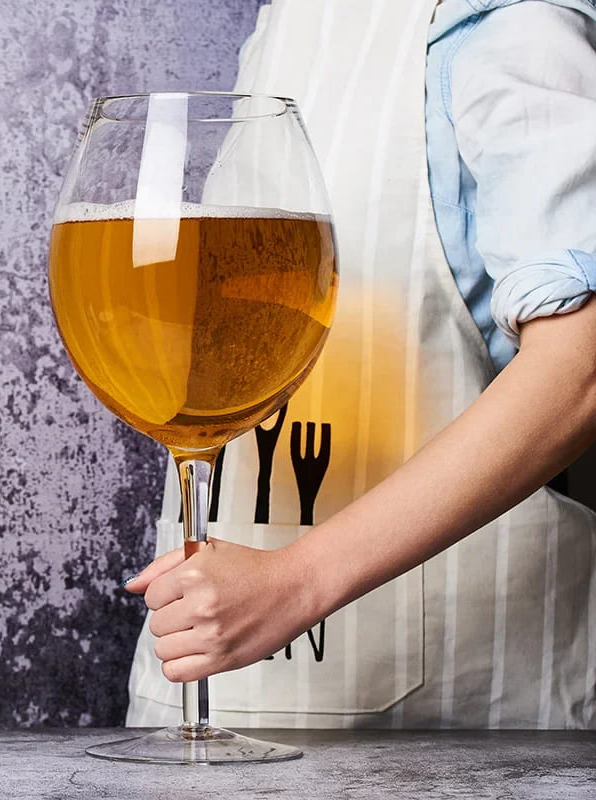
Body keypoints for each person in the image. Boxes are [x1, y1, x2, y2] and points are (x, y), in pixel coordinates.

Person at [124, 0, 596, 729]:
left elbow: (582, 368)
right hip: (220, 702)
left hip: (448, 741)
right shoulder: (286, 26)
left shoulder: (505, 22)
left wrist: (297, 580)